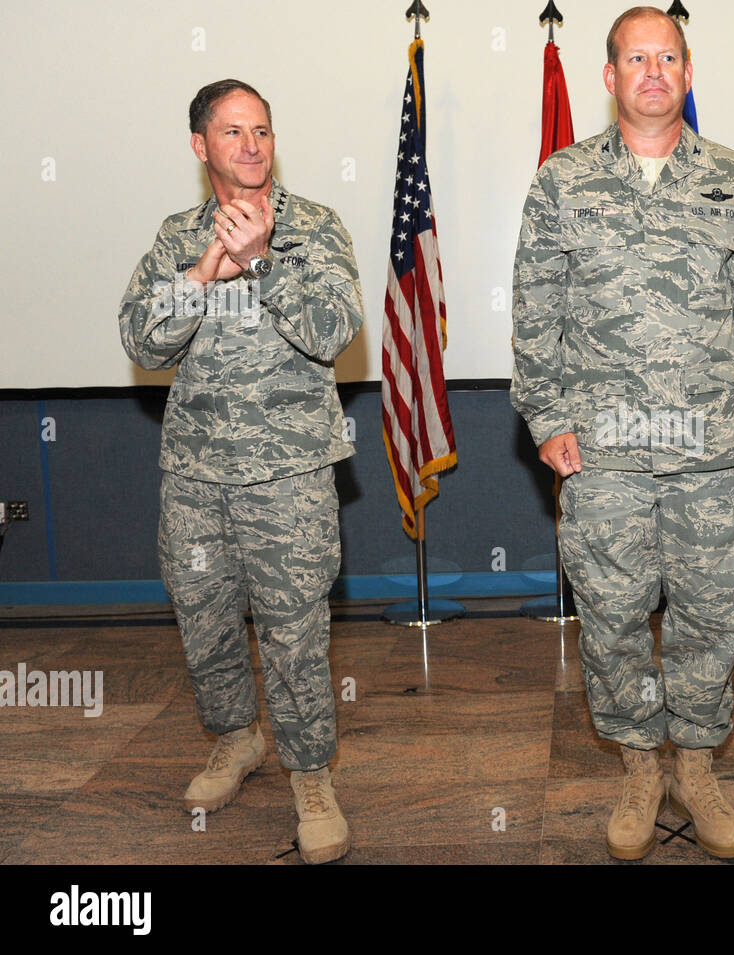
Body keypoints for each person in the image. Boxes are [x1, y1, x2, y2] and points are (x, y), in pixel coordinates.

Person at [511, 7, 734, 860]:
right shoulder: (562, 184)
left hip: (712, 452)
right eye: (635, 57)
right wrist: (547, 417)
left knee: (711, 618)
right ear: (608, 78)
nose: (653, 70)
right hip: (601, 455)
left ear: (687, 72)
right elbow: (537, 313)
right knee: (609, 616)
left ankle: (698, 762)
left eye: (668, 56)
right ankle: (641, 762)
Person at [119, 79, 363, 864]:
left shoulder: (314, 226)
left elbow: (334, 331)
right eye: (233, 132)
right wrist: (200, 275)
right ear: (201, 147)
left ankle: (311, 776)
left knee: (295, 633)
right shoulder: (176, 236)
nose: (252, 144)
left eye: (262, 129)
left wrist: (260, 263)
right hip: (195, 475)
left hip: (288, 475)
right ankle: (235, 738)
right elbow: (142, 341)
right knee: (205, 618)